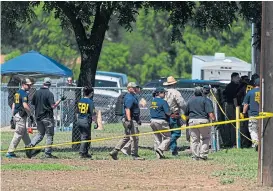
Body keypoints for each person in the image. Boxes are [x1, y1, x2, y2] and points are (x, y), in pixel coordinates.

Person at [26, 77, 66, 159]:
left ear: (43, 83)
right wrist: (60, 100)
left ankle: (30, 146)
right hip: (47, 117)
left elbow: (33, 104)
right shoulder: (49, 94)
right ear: (50, 84)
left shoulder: (36, 93)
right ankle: (47, 153)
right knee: (49, 135)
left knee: (40, 134)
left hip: (38, 117)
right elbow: (53, 106)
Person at [109, 82, 144, 160]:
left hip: (132, 119)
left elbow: (134, 110)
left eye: (136, 87)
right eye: (134, 88)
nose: (136, 89)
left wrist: (138, 120)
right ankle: (134, 155)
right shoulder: (129, 97)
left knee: (127, 137)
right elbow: (127, 109)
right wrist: (129, 121)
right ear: (129, 89)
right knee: (134, 137)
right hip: (130, 120)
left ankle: (115, 151)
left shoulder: (133, 96)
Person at [185, 86, 216, 160]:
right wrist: (214, 121)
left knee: (194, 139)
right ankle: (203, 155)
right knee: (205, 138)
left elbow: (186, 114)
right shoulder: (206, 100)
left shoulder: (189, 101)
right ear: (202, 92)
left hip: (192, 121)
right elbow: (210, 113)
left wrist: (186, 123)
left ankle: (195, 156)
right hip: (203, 121)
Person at [6, 78, 34, 158]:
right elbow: (25, 106)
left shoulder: (17, 93)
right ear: (23, 84)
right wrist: (30, 115)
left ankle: (30, 150)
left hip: (17, 115)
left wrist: (13, 116)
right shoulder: (24, 94)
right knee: (18, 134)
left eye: (30, 85)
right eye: (28, 85)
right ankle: (10, 152)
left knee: (24, 134)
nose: (30, 86)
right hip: (21, 116)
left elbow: (14, 105)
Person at [163, 76, 186, 156]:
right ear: (174, 84)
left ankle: (174, 151)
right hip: (174, 115)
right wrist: (186, 110)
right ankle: (166, 144)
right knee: (176, 133)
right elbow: (182, 103)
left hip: (165, 115)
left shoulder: (164, 92)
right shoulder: (176, 92)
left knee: (171, 132)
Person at [150, 87, 171, 159]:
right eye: (163, 92)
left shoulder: (153, 101)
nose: (165, 94)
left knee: (157, 138)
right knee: (168, 138)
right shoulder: (163, 102)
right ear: (159, 93)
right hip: (161, 121)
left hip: (152, 120)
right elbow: (168, 113)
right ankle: (160, 149)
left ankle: (158, 156)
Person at [76, 86, 95, 158]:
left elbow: (77, 112)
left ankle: (85, 152)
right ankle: (82, 153)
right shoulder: (90, 102)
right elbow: (93, 113)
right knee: (85, 136)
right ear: (91, 93)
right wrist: (96, 122)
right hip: (86, 120)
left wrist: (78, 119)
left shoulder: (80, 100)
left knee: (85, 136)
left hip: (79, 120)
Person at [222, 72, 240, 147]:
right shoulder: (233, 86)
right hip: (231, 106)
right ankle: (233, 142)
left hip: (228, 105)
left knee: (230, 125)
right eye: (237, 78)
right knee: (233, 125)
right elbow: (234, 98)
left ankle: (230, 141)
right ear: (232, 78)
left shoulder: (229, 86)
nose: (239, 79)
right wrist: (237, 108)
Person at [242, 78, 260, 151]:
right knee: (262, 130)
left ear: (254, 84)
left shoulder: (250, 92)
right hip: (264, 115)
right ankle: (263, 144)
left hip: (253, 115)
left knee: (253, 130)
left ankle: (256, 144)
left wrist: (243, 113)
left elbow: (245, 104)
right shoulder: (266, 92)